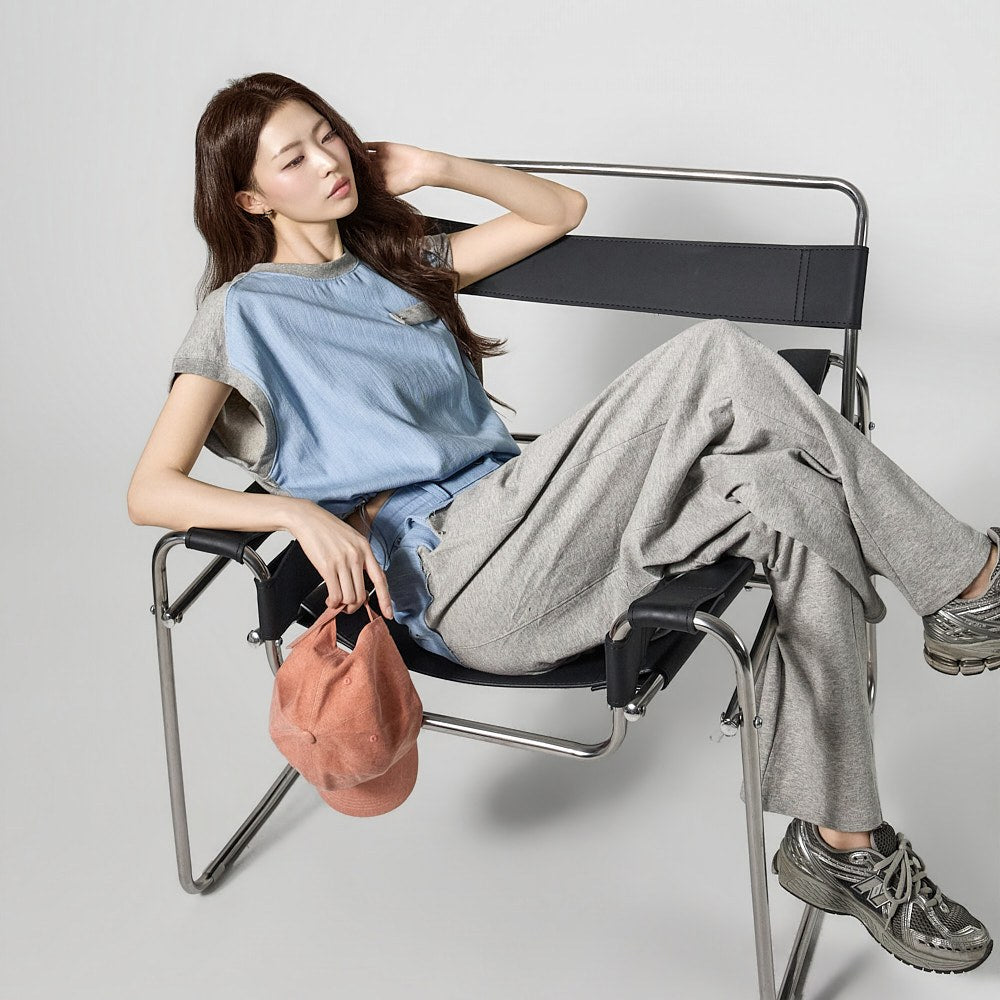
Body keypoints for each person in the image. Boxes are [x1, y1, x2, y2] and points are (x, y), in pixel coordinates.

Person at [127, 72, 997, 975]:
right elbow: (150, 488)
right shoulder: (242, 313)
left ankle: (845, 842)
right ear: (251, 198)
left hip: (536, 529)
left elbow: (559, 210)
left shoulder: (400, 261)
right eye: (293, 159)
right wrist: (295, 512)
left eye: (327, 135)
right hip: (455, 576)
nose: (327, 161)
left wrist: (437, 166)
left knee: (787, 497)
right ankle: (969, 578)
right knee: (715, 355)